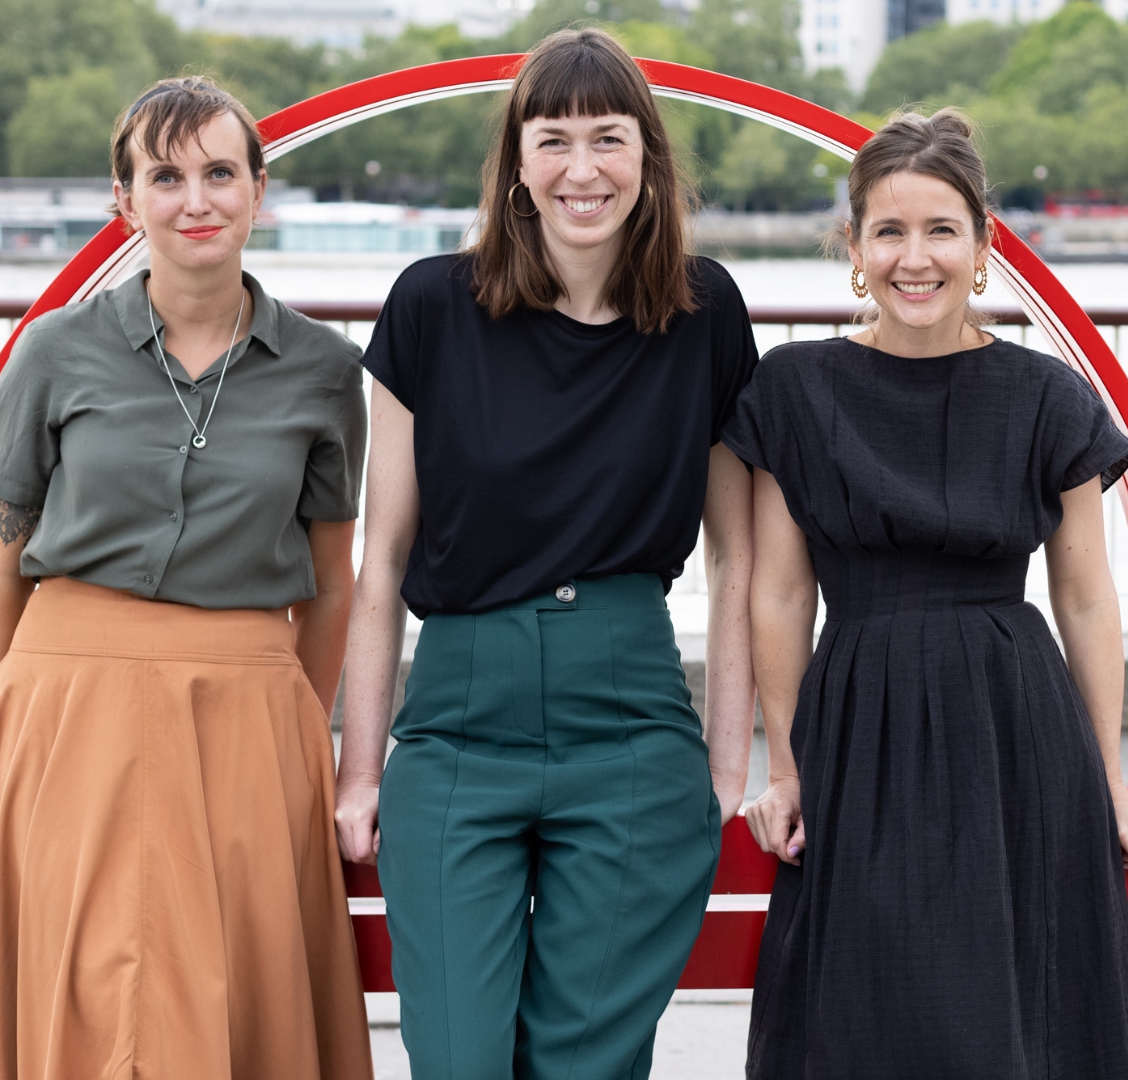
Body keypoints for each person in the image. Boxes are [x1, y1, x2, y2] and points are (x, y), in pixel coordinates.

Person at [0, 76, 374, 1080]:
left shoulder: (326, 372)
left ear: (260, 192)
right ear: (127, 202)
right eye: (165, 176)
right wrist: (3, 738)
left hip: (249, 714)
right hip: (64, 711)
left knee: (230, 984)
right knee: (78, 983)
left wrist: (303, 720)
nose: (195, 200)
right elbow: (4, 562)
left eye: (219, 172)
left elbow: (332, 584)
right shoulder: (53, 352)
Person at [333, 28, 759, 1080]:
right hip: (457, 726)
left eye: (608, 139)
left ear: (647, 157)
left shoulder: (704, 313)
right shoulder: (433, 305)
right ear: (517, 162)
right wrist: (358, 769)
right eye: (553, 139)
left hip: (630, 725)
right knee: (461, 1059)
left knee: (584, 1065)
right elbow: (379, 562)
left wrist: (727, 764)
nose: (582, 170)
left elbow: (741, 563)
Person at [731, 108, 1128, 1079]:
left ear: (983, 246)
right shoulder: (796, 388)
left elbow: (1089, 598)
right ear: (853, 247)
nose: (914, 257)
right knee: (865, 1010)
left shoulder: (1047, 397)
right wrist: (789, 765)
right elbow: (777, 593)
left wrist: (1108, 775)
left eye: (941, 230)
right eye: (889, 231)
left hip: (1015, 732)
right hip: (859, 727)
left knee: (1011, 1014)